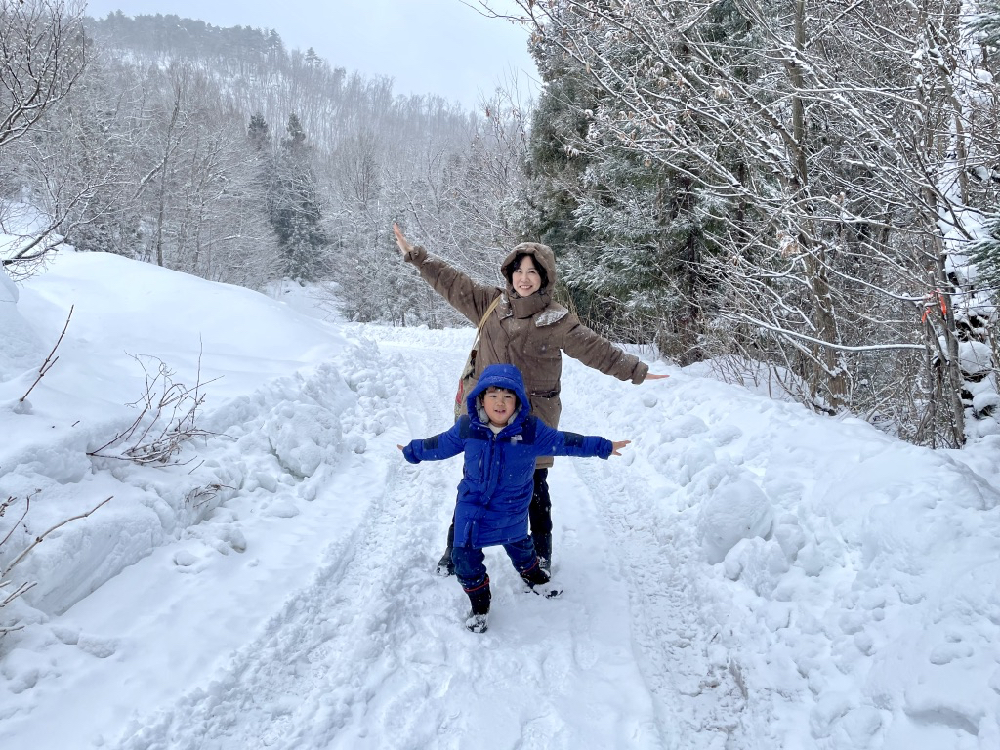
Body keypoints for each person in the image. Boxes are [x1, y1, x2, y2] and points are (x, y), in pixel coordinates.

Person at [393, 223, 667, 576]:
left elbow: (598, 350)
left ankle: (540, 552)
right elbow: (451, 282)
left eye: (532, 272)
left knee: (535, 484)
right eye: (519, 270)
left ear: (544, 277)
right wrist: (417, 256)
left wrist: (637, 371)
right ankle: (456, 547)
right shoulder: (490, 304)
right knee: (475, 481)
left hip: (533, 416)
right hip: (486, 415)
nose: (524, 278)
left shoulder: (558, 321)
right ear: (510, 273)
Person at [398, 364, 630, 633]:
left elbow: (566, 442)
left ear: (517, 400)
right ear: (480, 399)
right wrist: (413, 450)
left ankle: (534, 577)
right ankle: (480, 605)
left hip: (512, 507)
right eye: (493, 395)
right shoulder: (467, 428)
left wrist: (603, 446)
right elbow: (438, 444)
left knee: (521, 547)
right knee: (463, 558)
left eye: (508, 396)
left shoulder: (531, 431)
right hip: (472, 507)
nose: (500, 402)